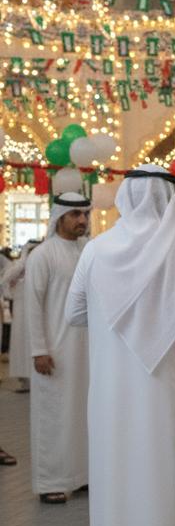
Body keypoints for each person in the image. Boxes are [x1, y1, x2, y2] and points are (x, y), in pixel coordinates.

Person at [66, 165, 175, 526]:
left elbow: (74, 312)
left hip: (110, 395)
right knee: (165, 483)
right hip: (168, 393)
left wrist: (112, 324)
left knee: (115, 480)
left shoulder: (97, 251)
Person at [24, 194, 90, 504]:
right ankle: (51, 480)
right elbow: (33, 306)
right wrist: (39, 349)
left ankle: (79, 476)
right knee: (53, 415)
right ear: (59, 217)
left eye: (84, 214)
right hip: (54, 352)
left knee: (80, 413)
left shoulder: (87, 252)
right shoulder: (43, 255)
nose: (82, 220)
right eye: (75, 214)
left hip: (85, 351)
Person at [1, 240, 41, 391]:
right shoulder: (18, 266)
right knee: (21, 343)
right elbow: (5, 280)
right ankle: (25, 379)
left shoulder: (39, 265)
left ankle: (33, 379)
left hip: (34, 310)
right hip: (21, 310)